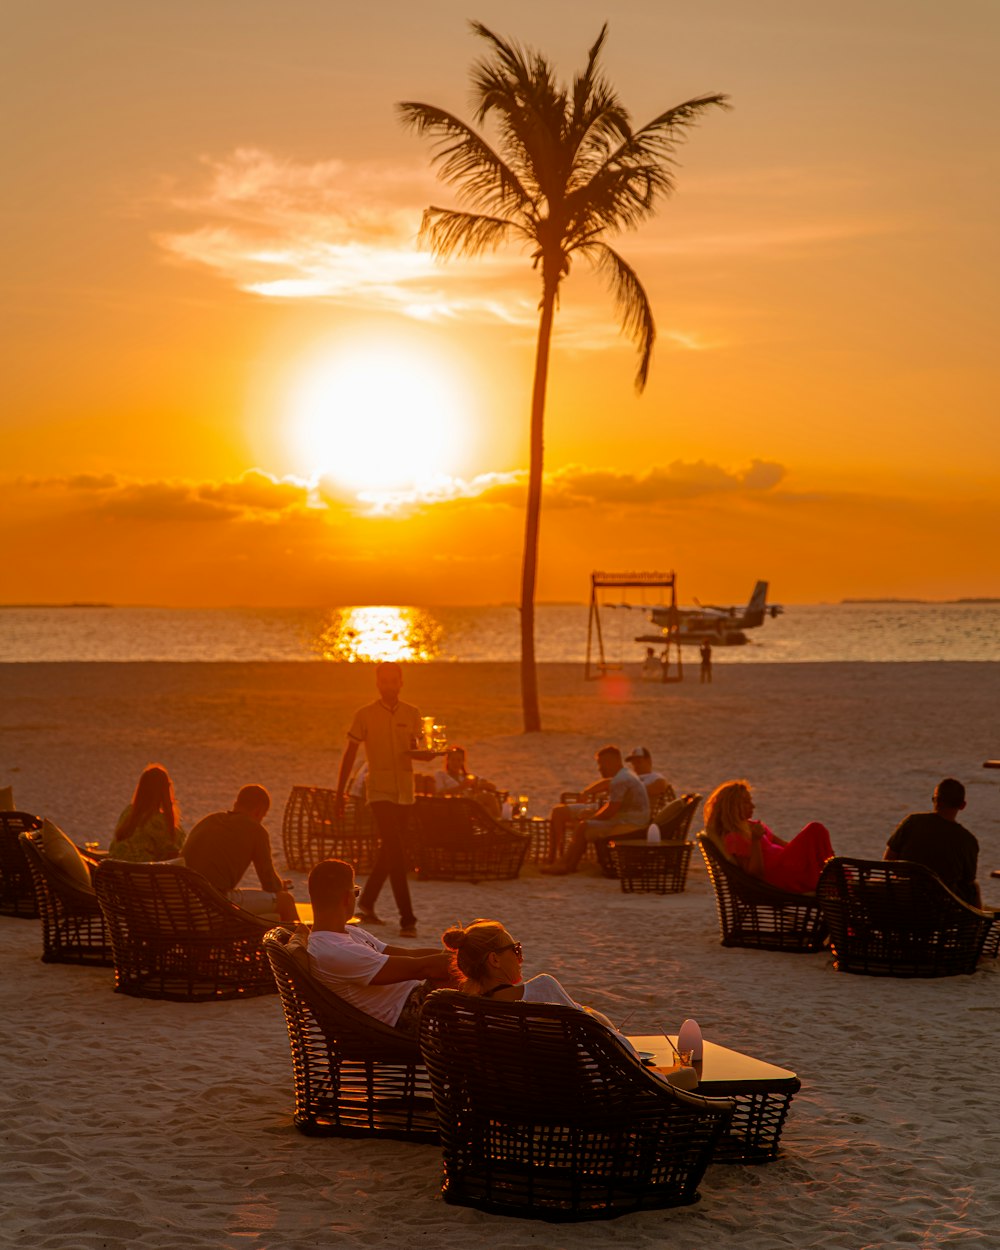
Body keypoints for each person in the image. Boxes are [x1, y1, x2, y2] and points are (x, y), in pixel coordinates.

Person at [294, 859, 455, 1035]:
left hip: (412, 999)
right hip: (404, 1016)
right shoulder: (335, 951)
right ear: (347, 898)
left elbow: (409, 954)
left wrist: (453, 953)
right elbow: (421, 968)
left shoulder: (347, 932)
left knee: (460, 972)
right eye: (356, 892)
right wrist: (467, 959)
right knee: (457, 975)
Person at [335, 660, 432, 938]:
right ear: (378, 684)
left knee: (390, 852)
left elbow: (417, 750)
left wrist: (429, 755)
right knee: (396, 851)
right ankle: (407, 918)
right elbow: (350, 754)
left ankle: (366, 902)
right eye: (384, 681)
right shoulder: (364, 715)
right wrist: (340, 792)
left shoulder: (412, 713)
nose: (389, 686)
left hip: (405, 792)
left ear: (401, 683)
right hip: (378, 791)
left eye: (394, 680)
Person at [183, 784, 298, 921]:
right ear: (259, 811)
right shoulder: (256, 830)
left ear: (236, 803)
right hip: (215, 902)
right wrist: (281, 887)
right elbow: (269, 883)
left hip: (185, 901)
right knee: (286, 901)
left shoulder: (209, 820)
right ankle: (301, 942)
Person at [704, 779, 834, 894]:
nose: (752, 806)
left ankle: (832, 874)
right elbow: (755, 874)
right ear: (733, 807)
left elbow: (786, 846)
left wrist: (810, 854)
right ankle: (833, 878)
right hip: (778, 875)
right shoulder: (734, 837)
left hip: (787, 865)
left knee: (817, 836)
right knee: (815, 828)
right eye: (746, 802)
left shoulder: (753, 825)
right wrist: (755, 840)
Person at [541, 745, 650, 875]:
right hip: (631, 819)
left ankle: (566, 865)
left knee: (583, 826)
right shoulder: (625, 774)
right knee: (583, 823)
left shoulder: (620, 780)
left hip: (630, 823)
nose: (599, 769)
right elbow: (612, 805)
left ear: (612, 762)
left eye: (601, 764)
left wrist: (590, 818)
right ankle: (564, 862)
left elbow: (611, 811)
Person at [884, 778, 982, 906]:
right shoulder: (968, 840)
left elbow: (887, 861)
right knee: (974, 887)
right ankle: (978, 925)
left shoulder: (912, 822)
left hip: (902, 905)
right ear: (962, 805)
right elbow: (968, 881)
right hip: (940, 913)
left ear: (936, 801)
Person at [108, 763, 186, 862]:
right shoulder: (160, 822)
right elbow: (180, 850)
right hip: (144, 875)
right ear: (165, 790)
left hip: (117, 873)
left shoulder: (128, 813)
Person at [433, 745, 502, 820]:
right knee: (488, 798)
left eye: (459, 760)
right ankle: (499, 824)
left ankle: (498, 822)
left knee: (488, 798)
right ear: (447, 761)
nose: (455, 763)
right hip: (454, 805)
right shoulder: (441, 774)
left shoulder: (465, 777)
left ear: (462, 762)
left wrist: (479, 785)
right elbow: (438, 794)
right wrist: (461, 787)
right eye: (453, 760)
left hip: (469, 803)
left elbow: (493, 787)